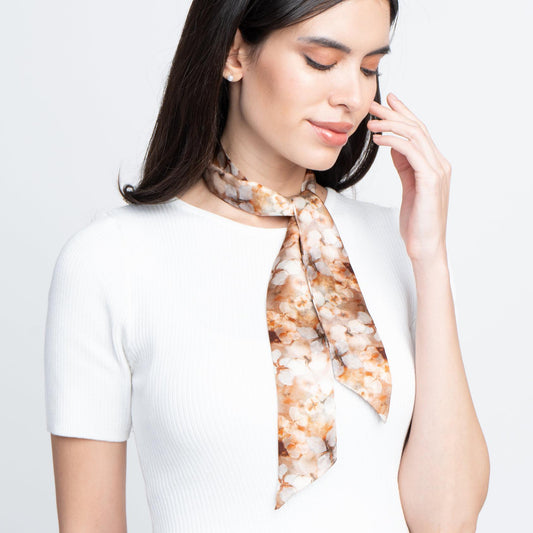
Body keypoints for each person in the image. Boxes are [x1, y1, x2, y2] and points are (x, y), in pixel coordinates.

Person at [44, 0, 490, 531]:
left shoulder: (398, 244)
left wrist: (430, 259)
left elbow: (449, 521)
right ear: (234, 54)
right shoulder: (111, 261)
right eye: (322, 61)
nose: (353, 97)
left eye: (369, 68)